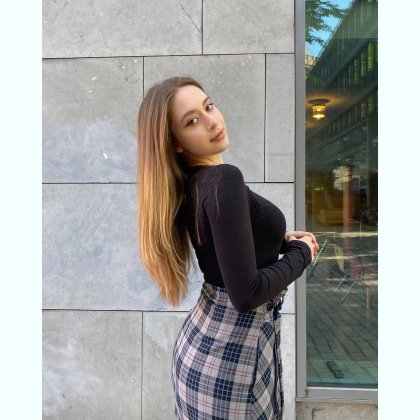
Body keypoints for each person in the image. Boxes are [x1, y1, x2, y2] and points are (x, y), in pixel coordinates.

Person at [137, 76, 318, 419]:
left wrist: (281, 242)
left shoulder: (197, 182)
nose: (212, 121)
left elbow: (225, 245)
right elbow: (247, 294)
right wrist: (303, 253)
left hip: (209, 346)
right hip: (233, 359)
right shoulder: (222, 179)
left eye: (209, 106)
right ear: (174, 142)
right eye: (192, 121)